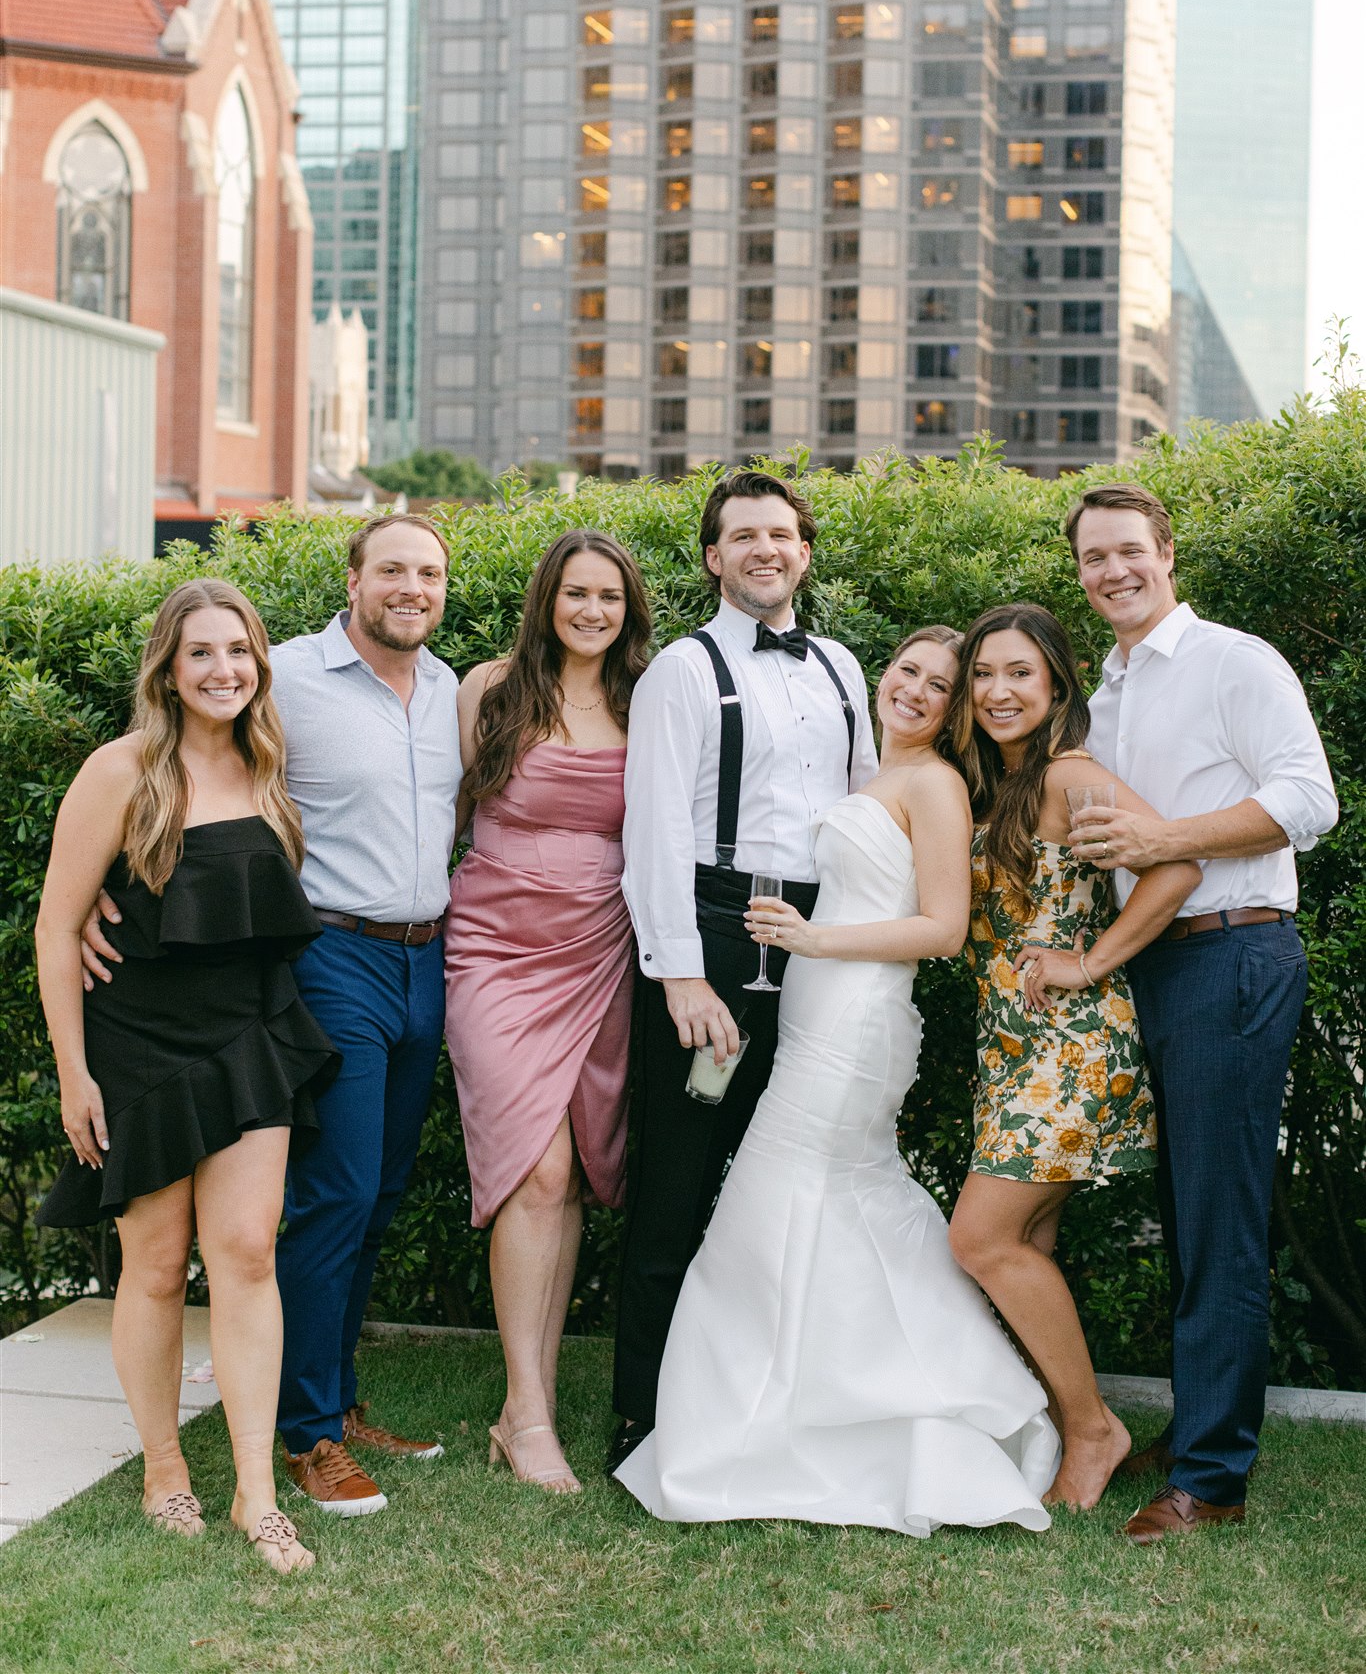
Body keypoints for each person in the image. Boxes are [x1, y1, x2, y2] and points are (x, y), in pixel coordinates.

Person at [616, 628, 1062, 1535]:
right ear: (881, 673)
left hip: (856, 1022)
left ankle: (801, 1421)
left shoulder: (933, 784)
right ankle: (818, 1404)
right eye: (908, 672)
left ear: (953, 710)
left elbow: (941, 928)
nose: (918, 692)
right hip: (815, 1012)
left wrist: (815, 940)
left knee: (777, 1200)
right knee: (827, 1206)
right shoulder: (864, 774)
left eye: (941, 686)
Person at [83, 515, 462, 1519]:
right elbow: (149, 782)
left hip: (424, 958)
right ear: (353, 578)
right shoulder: (288, 674)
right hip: (329, 956)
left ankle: (332, 1400)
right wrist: (83, 911)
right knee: (328, 1194)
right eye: (392, 568)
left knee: (374, 1188)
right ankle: (305, 1433)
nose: (410, 587)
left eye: (428, 572)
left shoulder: (451, 688)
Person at [37, 580, 338, 1574]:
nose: (225, 670)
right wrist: (76, 1073)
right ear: (167, 667)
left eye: (241, 651)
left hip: (250, 1034)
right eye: (202, 652)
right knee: (156, 1262)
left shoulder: (265, 760)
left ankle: (256, 1487)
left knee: (248, 1248)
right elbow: (55, 923)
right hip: (139, 1048)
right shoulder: (122, 769)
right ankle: (165, 1466)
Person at [1064, 482, 1338, 1542]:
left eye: (1129, 550)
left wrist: (1160, 839)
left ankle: (1212, 1477)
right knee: (1188, 1212)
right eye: (1093, 558)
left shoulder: (1234, 659)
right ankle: (1194, 1432)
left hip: (1233, 951)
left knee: (1219, 1219)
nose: (1112, 571)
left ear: (1166, 553)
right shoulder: (1111, 685)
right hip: (1159, 961)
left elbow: (1308, 800)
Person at [609, 469, 879, 1473]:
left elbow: (863, 810)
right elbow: (654, 830)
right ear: (715, 557)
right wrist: (681, 977)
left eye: (783, 532)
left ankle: (770, 1406)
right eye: (743, 535)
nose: (766, 548)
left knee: (793, 1185)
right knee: (678, 1182)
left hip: (819, 939)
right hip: (716, 937)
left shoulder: (844, 668)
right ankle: (642, 1415)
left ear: (803, 550)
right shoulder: (680, 670)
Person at [942, 603, 1201, 1511]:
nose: (999, 692)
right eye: (983, 675)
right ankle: (1057, 1433)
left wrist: (1091, 959)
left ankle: (1095, 1428)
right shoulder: (992, 782)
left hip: (1073, 1044)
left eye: (1020, 673)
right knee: (1025, 1241)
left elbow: (1174, 865)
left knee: (978, 1237)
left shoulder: (1069, 776)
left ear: (1056, 684)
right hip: (1008, 1046)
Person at [445, 530, 650, 1495]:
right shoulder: (488, 689)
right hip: (492, 948)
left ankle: (526, 1399)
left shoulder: (647, 698)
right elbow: (429, 810)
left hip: (599, 948)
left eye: (609, 596)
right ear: (548, 600)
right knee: (538, 1167)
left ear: (629, 607)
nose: (592, 611)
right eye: (575, 594)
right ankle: (528, 1413)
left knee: (565, 1181)